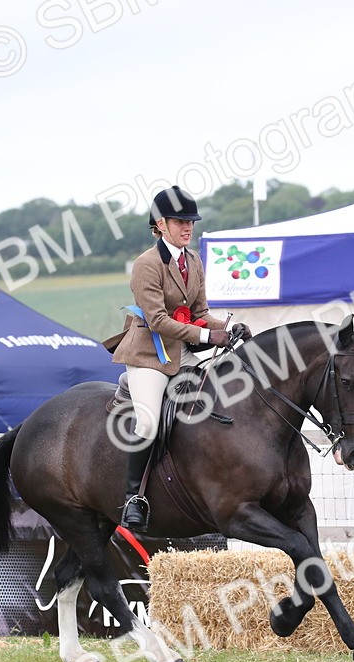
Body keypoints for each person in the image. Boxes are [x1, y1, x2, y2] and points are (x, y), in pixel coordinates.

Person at [103, 186, 251, 534]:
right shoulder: (146, 265)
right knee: (149, 424)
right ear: (160, 224)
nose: (188, 227)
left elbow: (199, 313)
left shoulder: (193, 261)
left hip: (180, 351)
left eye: (191, 221)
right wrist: (205, 336)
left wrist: (228, 327)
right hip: (148, 354)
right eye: (180, 221)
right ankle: (133, 499)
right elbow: (157, 320)